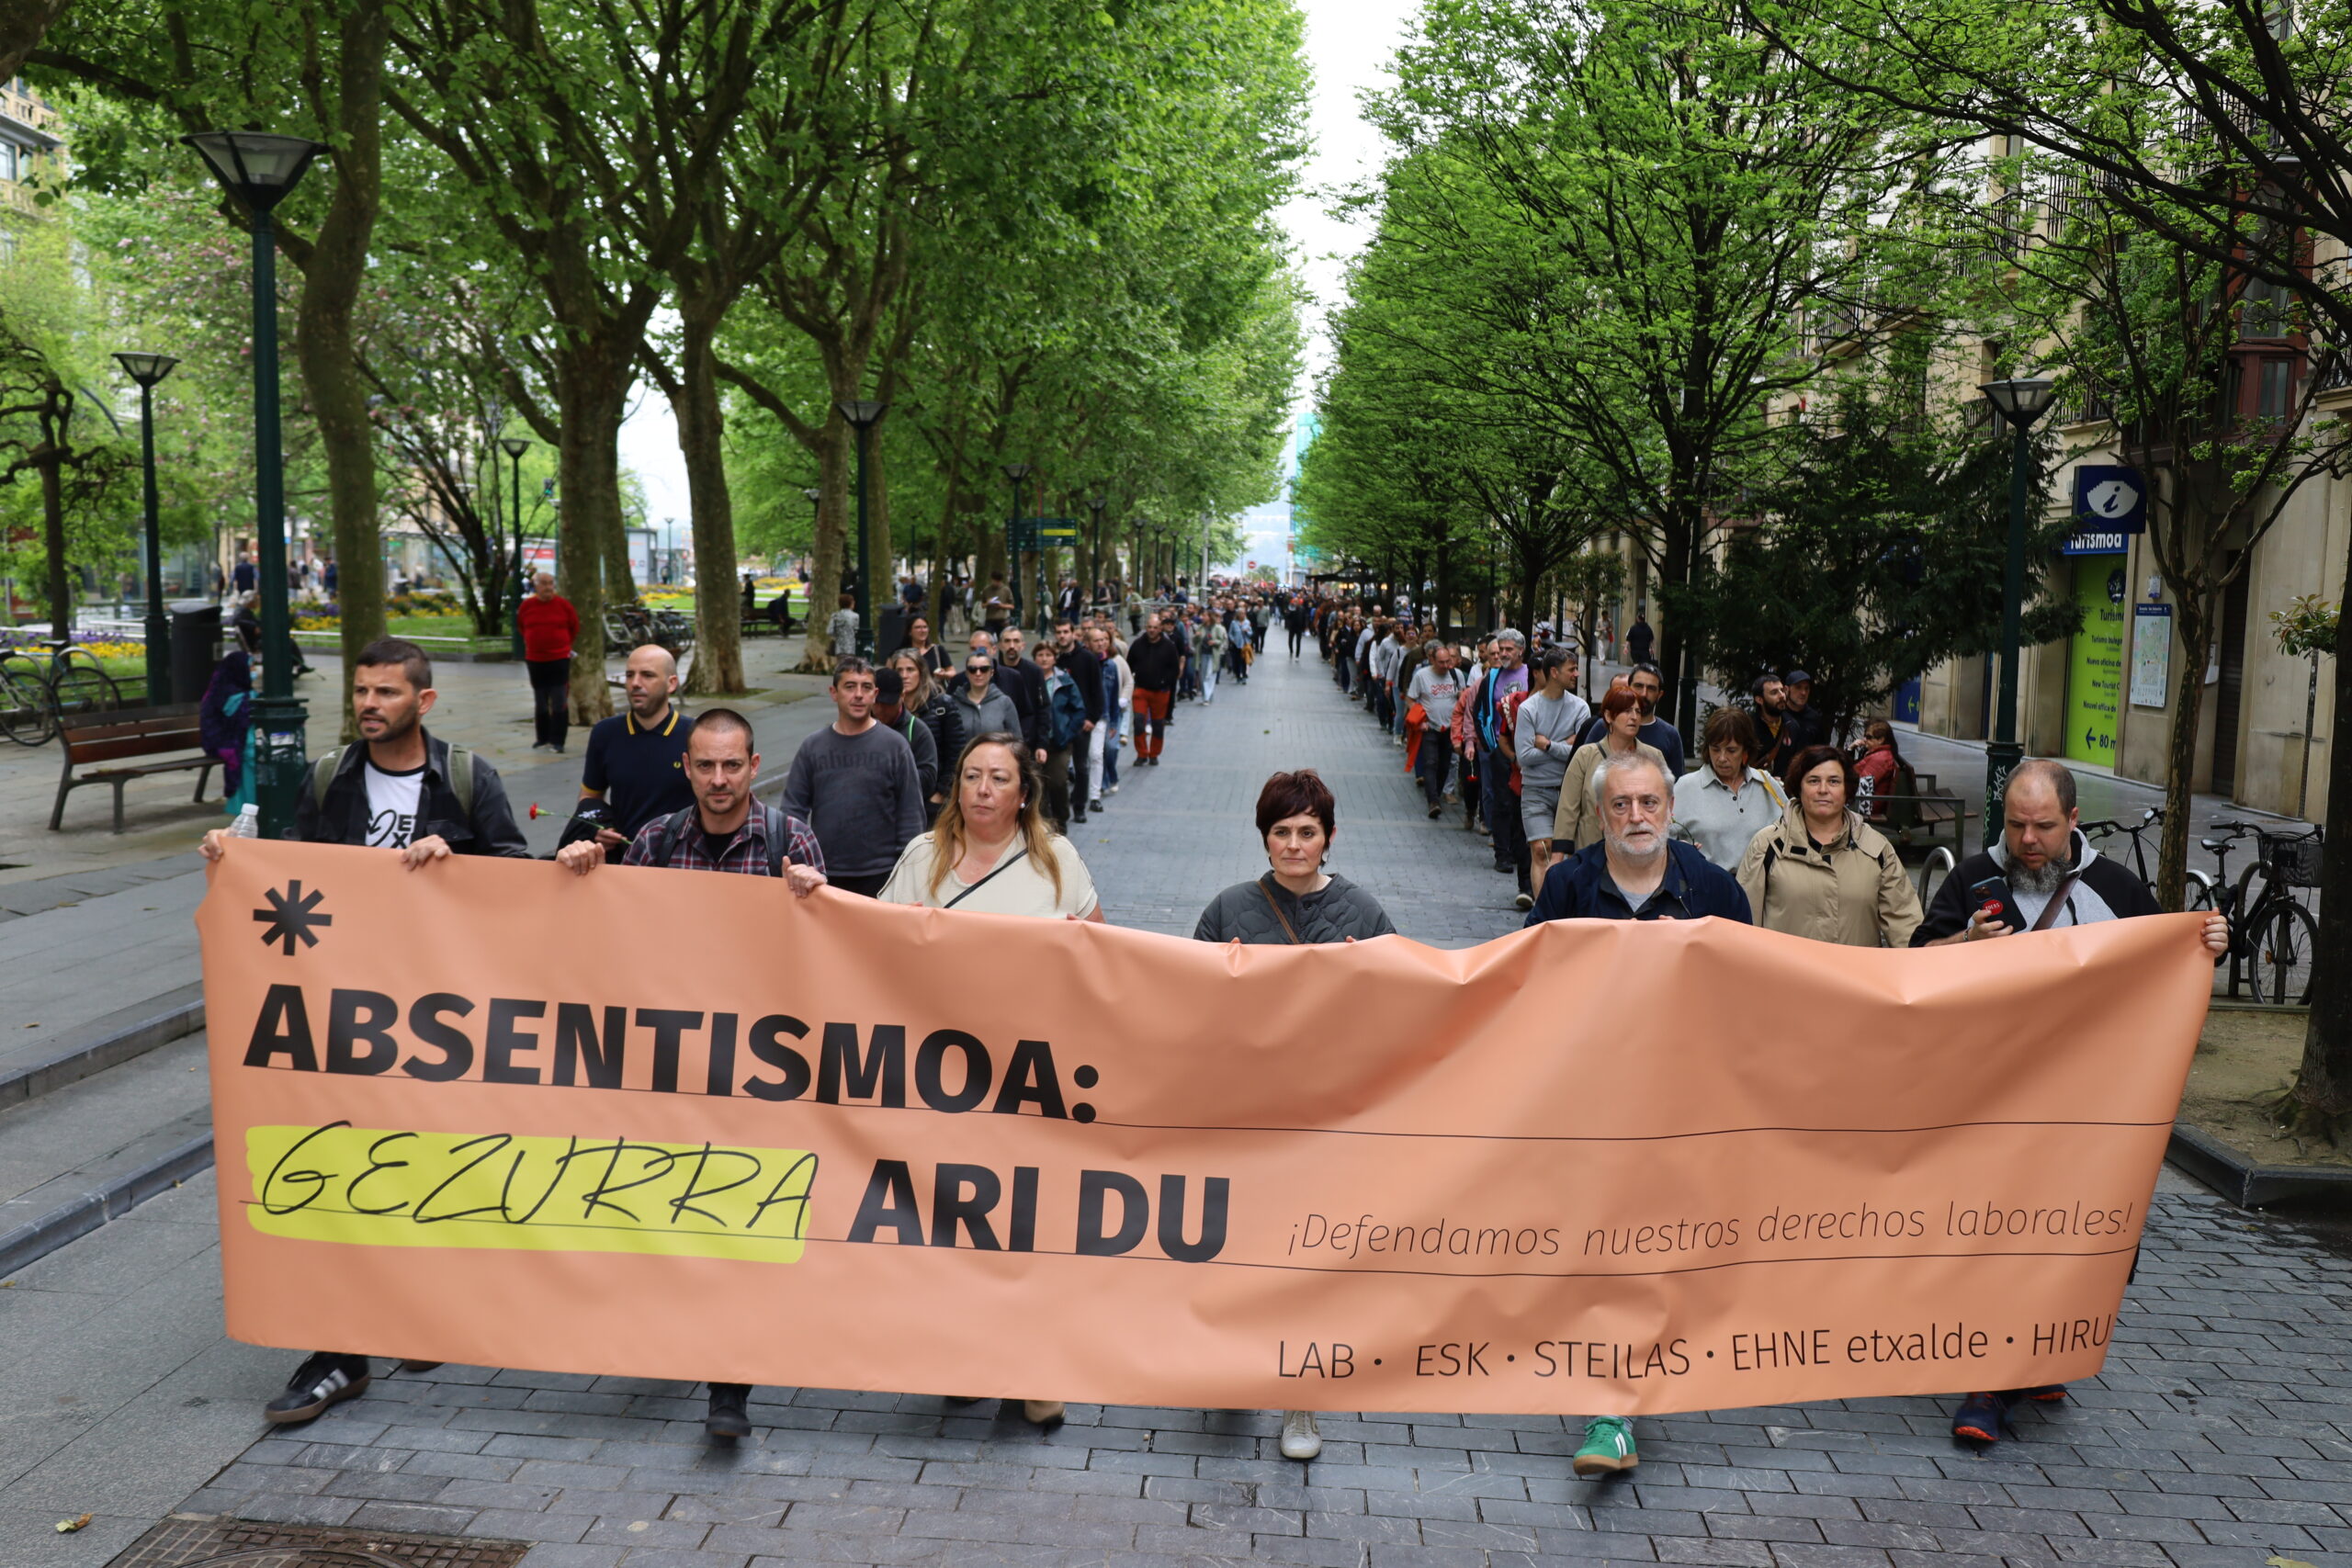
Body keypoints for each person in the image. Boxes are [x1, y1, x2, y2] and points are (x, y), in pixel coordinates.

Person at [200, 637, 529, 1426]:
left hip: (441, 1026)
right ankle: (338, 1352)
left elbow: (520, 879)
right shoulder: (329, 777)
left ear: (424, 700)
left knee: (428, 1170)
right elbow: (295, 882)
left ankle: (417, 1310)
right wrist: (235, 860)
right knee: (339, 1172)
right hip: (347, 1018)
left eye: (386, 692)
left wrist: (463, 861)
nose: (369, 705)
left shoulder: (467, 778)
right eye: (361, 691)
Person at [1912, 759, 2227, 1447]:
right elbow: (1916, 966)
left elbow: (2166, 962)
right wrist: (1964, 942)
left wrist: (2209, 943)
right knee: (2000, 1234)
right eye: (2016, 825)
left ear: (2074, 820)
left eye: (2044, 827)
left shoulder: (2117, 888)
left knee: (2074, 1234)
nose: (2028, 840)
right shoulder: (1972, 879)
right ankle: (1993, 1383)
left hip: (2091, 1107)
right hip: (1992, 1103)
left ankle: (2044, 1354)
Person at [554, 707, 825, 1441]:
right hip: (669, 1070)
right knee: (670, 1211)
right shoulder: (655, 840)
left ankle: (729, 1381)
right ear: (687, 768)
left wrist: (817, 898)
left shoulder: (789, 839)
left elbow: (826, 959)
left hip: (753, 1075)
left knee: (733, 1219)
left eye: (732, 765)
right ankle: (676, 1333)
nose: (718, 779)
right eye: (705, 765)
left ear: (754, 764)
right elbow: (612, 939)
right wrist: (580, 872)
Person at [1522, 750, 1747, 1479]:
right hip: (1592, 1106)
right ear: (1599, 814)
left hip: (1684, 1106)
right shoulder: (1569, 885)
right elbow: (1528, 983)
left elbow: (1750, 991)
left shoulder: (1713, 890)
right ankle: (1613, 1409)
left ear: (1671, 809)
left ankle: (1622, 1395)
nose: (1637, 816)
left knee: (1652, 1252)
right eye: (1620, 804)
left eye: (1649, 802)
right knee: (1610, 1249)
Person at [880, 733, 1102, 1433]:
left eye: (998, 777)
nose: (982, 788)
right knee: (955, 1222)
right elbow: (872, 944)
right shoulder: (923, 857)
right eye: (971, 775)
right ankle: (968, 1356)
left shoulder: (1056, 861)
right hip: (943, 1074)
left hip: (1032, 1074)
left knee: (1028, 1225)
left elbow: (1101, 954)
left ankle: (1035, 1370)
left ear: (1023, 792)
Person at [1191, 769, 1395, 1463]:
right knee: (1243, 1250)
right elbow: (1190, 1003)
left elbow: (1403, 1011)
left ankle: (1299, 1395)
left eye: (1308, 831)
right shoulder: (1229, 910)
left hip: (1327, 1120)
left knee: (1309, 1257)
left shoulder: (1364, 914)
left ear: (1329, 836)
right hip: (1246, 1116)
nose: (1295, 843)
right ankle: (1238, 1364)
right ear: (1265, 837)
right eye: (1281, 831)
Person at [1736, 744, 1922, 947]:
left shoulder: (1875, 848)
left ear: (1847, 789)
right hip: (1785, 968)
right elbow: (1743, 926)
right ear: (1799, 787)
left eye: (1834, 781)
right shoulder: (1767, 845)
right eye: (1813, 781)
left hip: (1855, 968)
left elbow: (1905, 923)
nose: (1823, 790)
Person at [781, 657, 926, 897]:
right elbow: (792, 812)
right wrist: (802, 861)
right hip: (822, 875)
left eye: (866, 687)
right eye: (850, 686)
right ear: (834, 693)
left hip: (883, 875)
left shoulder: (895, 746)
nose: (858, 695)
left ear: (875, 694)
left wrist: (906, 870)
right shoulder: (812, 747)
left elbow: (911, 815)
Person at [578, 644, 696, 860]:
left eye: (647, 675)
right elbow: (589, 797)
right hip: (625, 860)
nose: (635, 683)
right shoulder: (605, 733)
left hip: (682, 860)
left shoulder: (696, 735)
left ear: (671, 683)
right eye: (630, 675)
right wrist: (597, 827)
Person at [1552, 685, 1668, 857]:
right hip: (1591, 855)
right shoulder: (1586, 755)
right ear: (1608, 716)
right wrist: (1558, 855)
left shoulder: (1653, 756)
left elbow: (1665, 806)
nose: (1634, 717)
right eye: (1627, 711)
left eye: (1637, 711)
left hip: (1639, 855)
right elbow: (1568, 808)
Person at [1514, 646, 1593, 894]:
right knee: (1542, 849)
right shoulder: (1528, 709)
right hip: (1535, 790)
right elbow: (1524, 757)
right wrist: (1564, 745)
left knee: (1569, 854)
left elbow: (1580, 754)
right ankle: (1542, 910)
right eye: (1572, 669)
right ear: (1554, 672)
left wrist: (1548, 744)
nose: (1576, 674)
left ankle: (1561, 906)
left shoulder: (1580, 708)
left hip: (1570, 790)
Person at [1672, 706, 1787, 871]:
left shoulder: (1765, 783)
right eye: (1715, 749)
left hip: (1760, 883)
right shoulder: (1686, 787)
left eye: (1731, 750)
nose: (1722, 758)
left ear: (1746, 750)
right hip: (1707, 883)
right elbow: (1661, 841)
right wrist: (1679, 850)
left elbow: (1792, 830)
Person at [1466, 628, 1532, 897]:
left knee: (1521, 803)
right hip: (1499, 749)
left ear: (1520, 651)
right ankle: (1502, 853)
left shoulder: (1530, 674)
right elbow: (1480, 711)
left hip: (1526, 751)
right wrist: (1489, 744)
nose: (1503, 654)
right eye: (1501, 649)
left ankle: (1518, 850)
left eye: (1508, 649)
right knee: (1501, 802)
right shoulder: (1491, 677)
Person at [1577, 661, 1685, 777]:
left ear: (1659, 695)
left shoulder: (1670, 735)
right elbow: (1582, 769)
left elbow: (1676, 783)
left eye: (1651, 688)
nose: (1644, 694)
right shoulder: (1604, 726)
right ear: (1628, 688)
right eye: (1639, 686)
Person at [516, 571, 579, 753]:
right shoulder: (527, 606)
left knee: (559, 700)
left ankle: (558, 741)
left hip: (559, 659)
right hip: (535, 660)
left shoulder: (563, 605)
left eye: (551, 583)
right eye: (544, 583)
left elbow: (574, 627)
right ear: (535, 585)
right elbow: (521, 627)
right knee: (541, 700)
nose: (548, 587)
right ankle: (542, 738)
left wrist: (562, 646)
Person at [941, 647, 1021, 783]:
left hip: (997, 772)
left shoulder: (1004, 702)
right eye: (972, 669)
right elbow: (946, 743)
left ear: (991, 672)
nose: (978, 673)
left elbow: (1017, 742)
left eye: (984, 669)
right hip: (962, 773)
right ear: (966, 673)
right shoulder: (953, 703)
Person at [1407, 641, 1466, 818]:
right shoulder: (1422, 676)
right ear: (1432, 660)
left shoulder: (1456, 675)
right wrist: (1420, 720)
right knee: (1430, 763)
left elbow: (1463, 697)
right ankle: (1433, 801)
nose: (1446, 666)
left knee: (1445, 765)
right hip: (1430, 727)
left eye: (1448, 661)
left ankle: (1437, 795)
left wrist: (1461, 697)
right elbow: (1410, 699)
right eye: (1441, 662)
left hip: (1450, 728)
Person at [1034, 640, 1087, 829]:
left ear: (1055, 658)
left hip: (1058, 742)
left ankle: (1061, 819)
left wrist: (1067, 732)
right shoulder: (1029, 679)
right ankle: (1042, 823)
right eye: (1040, 655)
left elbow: (1079, 710)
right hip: (1035, 741)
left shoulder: (1064, 680)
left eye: (1048, 655)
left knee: (1057, 782)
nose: (1044, 659)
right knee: (1037, 785)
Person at [198, 648, 256, 816]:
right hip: (223, 742)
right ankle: (247, 805)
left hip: (231, 739)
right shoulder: (230, 693)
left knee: (253, 750)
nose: (253, 670)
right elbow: (239, 724)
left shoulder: (226, 686)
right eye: (250, 666)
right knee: (251, 754)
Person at [873, 663, 941, 807]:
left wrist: (890, 775)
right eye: (877, 702)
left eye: (888, 703)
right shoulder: (860, 725)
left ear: (902, 696)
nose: (881, 709)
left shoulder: (918, 731)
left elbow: (928, 780)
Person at [1127, 613, 1180, 765]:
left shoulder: (1169, 646)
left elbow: (1174, 669)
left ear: (1160, 628)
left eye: (1155, 627)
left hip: (1160, 691)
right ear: (1146, 627)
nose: (1152, 630)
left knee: (1158, 724)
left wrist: (1165, 682)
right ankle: (1141, 753)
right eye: (1149, 627)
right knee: (1138, 721)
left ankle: (1154, 753)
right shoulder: (1137, 644)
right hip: (1141, 690)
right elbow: (1129, 664)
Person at [1851, 717, 1907, 823]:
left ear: (1881, 739)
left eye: (1869, 737)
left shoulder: (1880, 759)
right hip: (1865, 800)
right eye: (1864, 736)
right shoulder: (1877, 754)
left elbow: (1862, 785)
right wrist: (1851, 749)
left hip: (1866, 806)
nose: (1864, 739)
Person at [1747, 674, 1793, 778]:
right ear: (1759, 700)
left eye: (1782, 690)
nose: (1782, 695)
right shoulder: (1747, 727)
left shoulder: (1792, 725)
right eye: (1774, 692)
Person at [1781, 670, 1829, 751]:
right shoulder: (1778, 714)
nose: (1803, 692)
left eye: (1807, 688)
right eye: (1798, 687)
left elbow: (1821, 751)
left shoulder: (1814, 718)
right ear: (1786, 689)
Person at [905, 615, 954, 680]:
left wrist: (944, 674)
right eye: (918, 627)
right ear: (909, 631)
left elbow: (952, 672)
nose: (922, 630)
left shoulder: (938, 650)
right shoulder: (902, 652)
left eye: (925, 627)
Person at [828, 593, 860, 666]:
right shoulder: (855, 616)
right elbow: (856, 630)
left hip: (839, 647)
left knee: (841, 666)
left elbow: (829, 631)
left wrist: (837, 635)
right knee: (850, 666)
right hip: (851, 647)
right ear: (850, 603)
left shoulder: (835, 615)